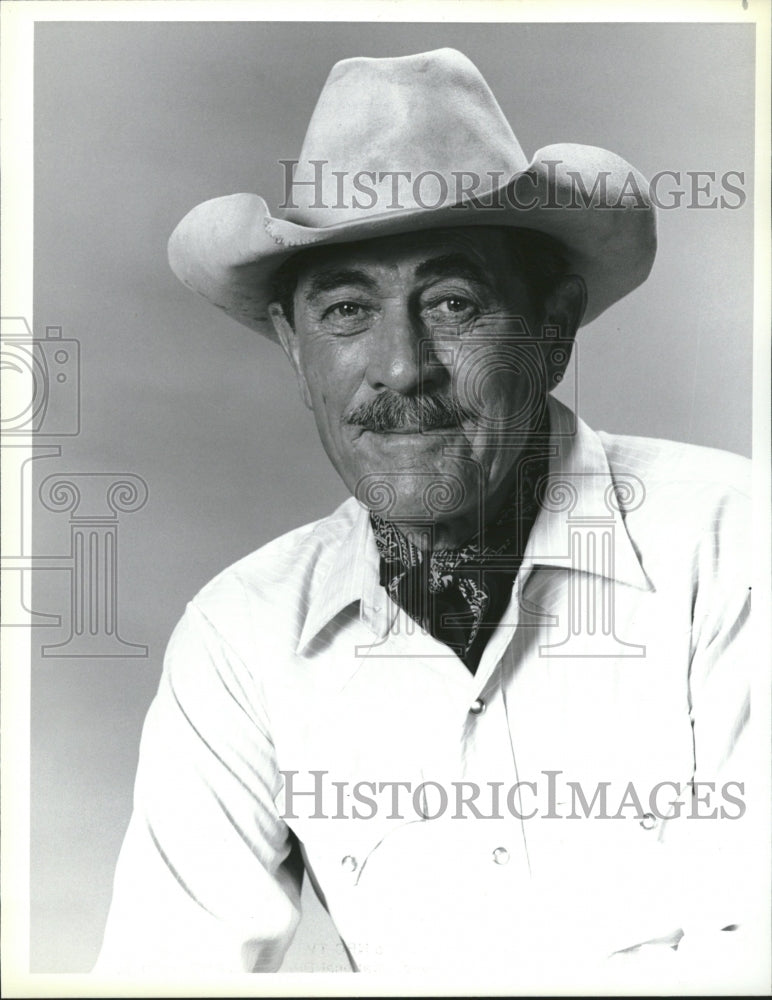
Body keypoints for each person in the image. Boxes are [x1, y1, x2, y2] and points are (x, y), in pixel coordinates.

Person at [95, 48, 754, 983]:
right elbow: (162, 978)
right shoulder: (241, 638)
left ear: (553, 328)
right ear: (293, 346)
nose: (403, 368)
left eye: (453, 302)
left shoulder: (733, 549)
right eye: (346, 312)